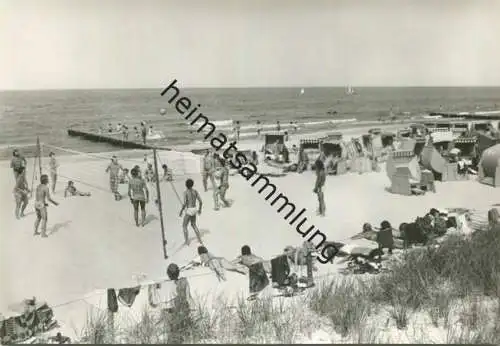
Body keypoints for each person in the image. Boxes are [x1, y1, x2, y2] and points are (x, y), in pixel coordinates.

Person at [149, 263, 195, 345]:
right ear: (178, 273)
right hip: (180, 312)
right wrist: (192, 308)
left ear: (168, 274)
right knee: (179, 334)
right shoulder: (183, 282)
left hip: (167, 314)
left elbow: (152, 303)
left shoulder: (161, 285)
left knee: (171, 335)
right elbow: (188, 297)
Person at [179, 179, 203, 246]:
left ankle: (187, 242)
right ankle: (200, 240)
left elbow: (184, 204)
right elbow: (201, 202)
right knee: (194, 225)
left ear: (186, 185)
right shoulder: (195, 191)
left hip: (189, 210)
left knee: (184, 226)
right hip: (194, 209)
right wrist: (200, 210)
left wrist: (181, 211)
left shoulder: (185, 192)